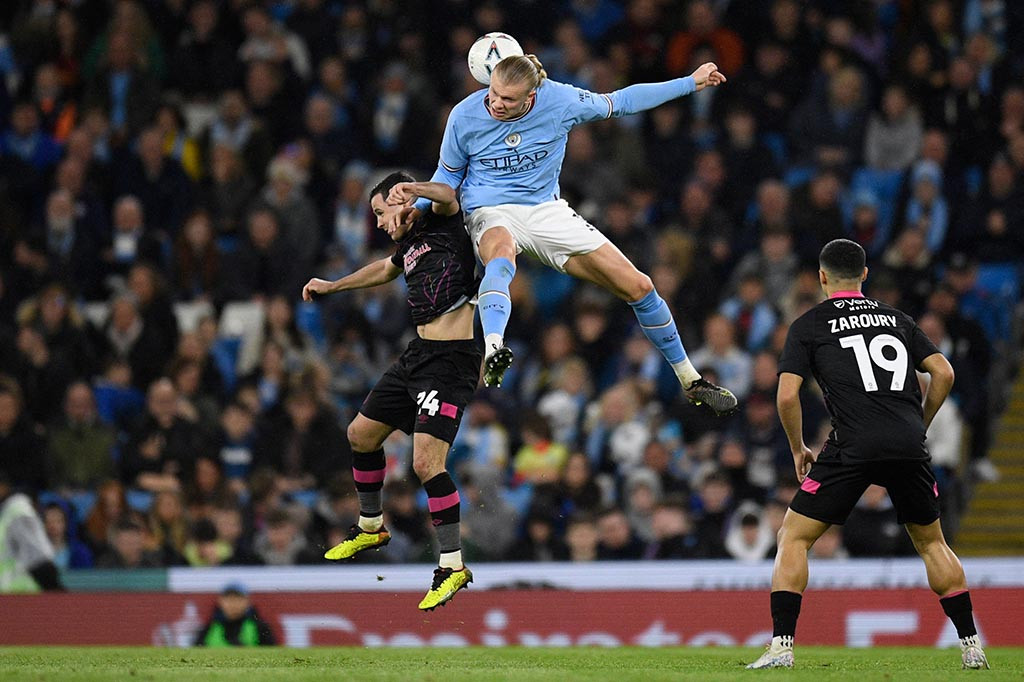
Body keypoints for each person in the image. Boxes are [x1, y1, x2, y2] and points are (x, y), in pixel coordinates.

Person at [389, 54, 736, 416]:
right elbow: (447, 179)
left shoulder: (561, 100)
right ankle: (494, 347)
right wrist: (418, 205)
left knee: (640, 287)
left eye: (508, 99)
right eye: (493, 93)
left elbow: (623, 102)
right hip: (489, 209)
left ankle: (690, 380)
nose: (496, 103)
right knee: (501, 253)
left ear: (531, 96)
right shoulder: (464, 114)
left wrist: (691, 82)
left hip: (547, 211)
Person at [747, 240, 989, 670]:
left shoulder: (809, 324)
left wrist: (798, 448)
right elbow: (944, 373)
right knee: (932, 542)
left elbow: (787, 397)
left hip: (852, 443)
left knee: (794, 535)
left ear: (822, 277)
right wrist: (920, 423)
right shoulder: (897, 320)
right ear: (865, 275)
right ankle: (972, 646)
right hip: (907, 443)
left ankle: (782, 646)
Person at [302, 171, 479, 611]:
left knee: (425, 462)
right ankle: (370, 525)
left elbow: (448, 194)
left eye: (381, 212)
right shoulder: (410, 243)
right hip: (418, 355)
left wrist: (415, 191)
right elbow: (385, 268)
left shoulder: (442, 221)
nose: (379, 223)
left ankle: (452, 565)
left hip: (451, 360)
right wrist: (334, 285)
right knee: (360, 435)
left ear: (398, 200)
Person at [0, 470, 64, 592]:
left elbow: (38, 560)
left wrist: (57, 592)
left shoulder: (18, 510)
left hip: (22, 596)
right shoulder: (11, 512)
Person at [193, 582, 276, 647]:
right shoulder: (209, 628)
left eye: (237, 599)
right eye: (229, 599)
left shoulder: (260, 628)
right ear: (220, 601)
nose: (233, 604)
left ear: (247, 601)